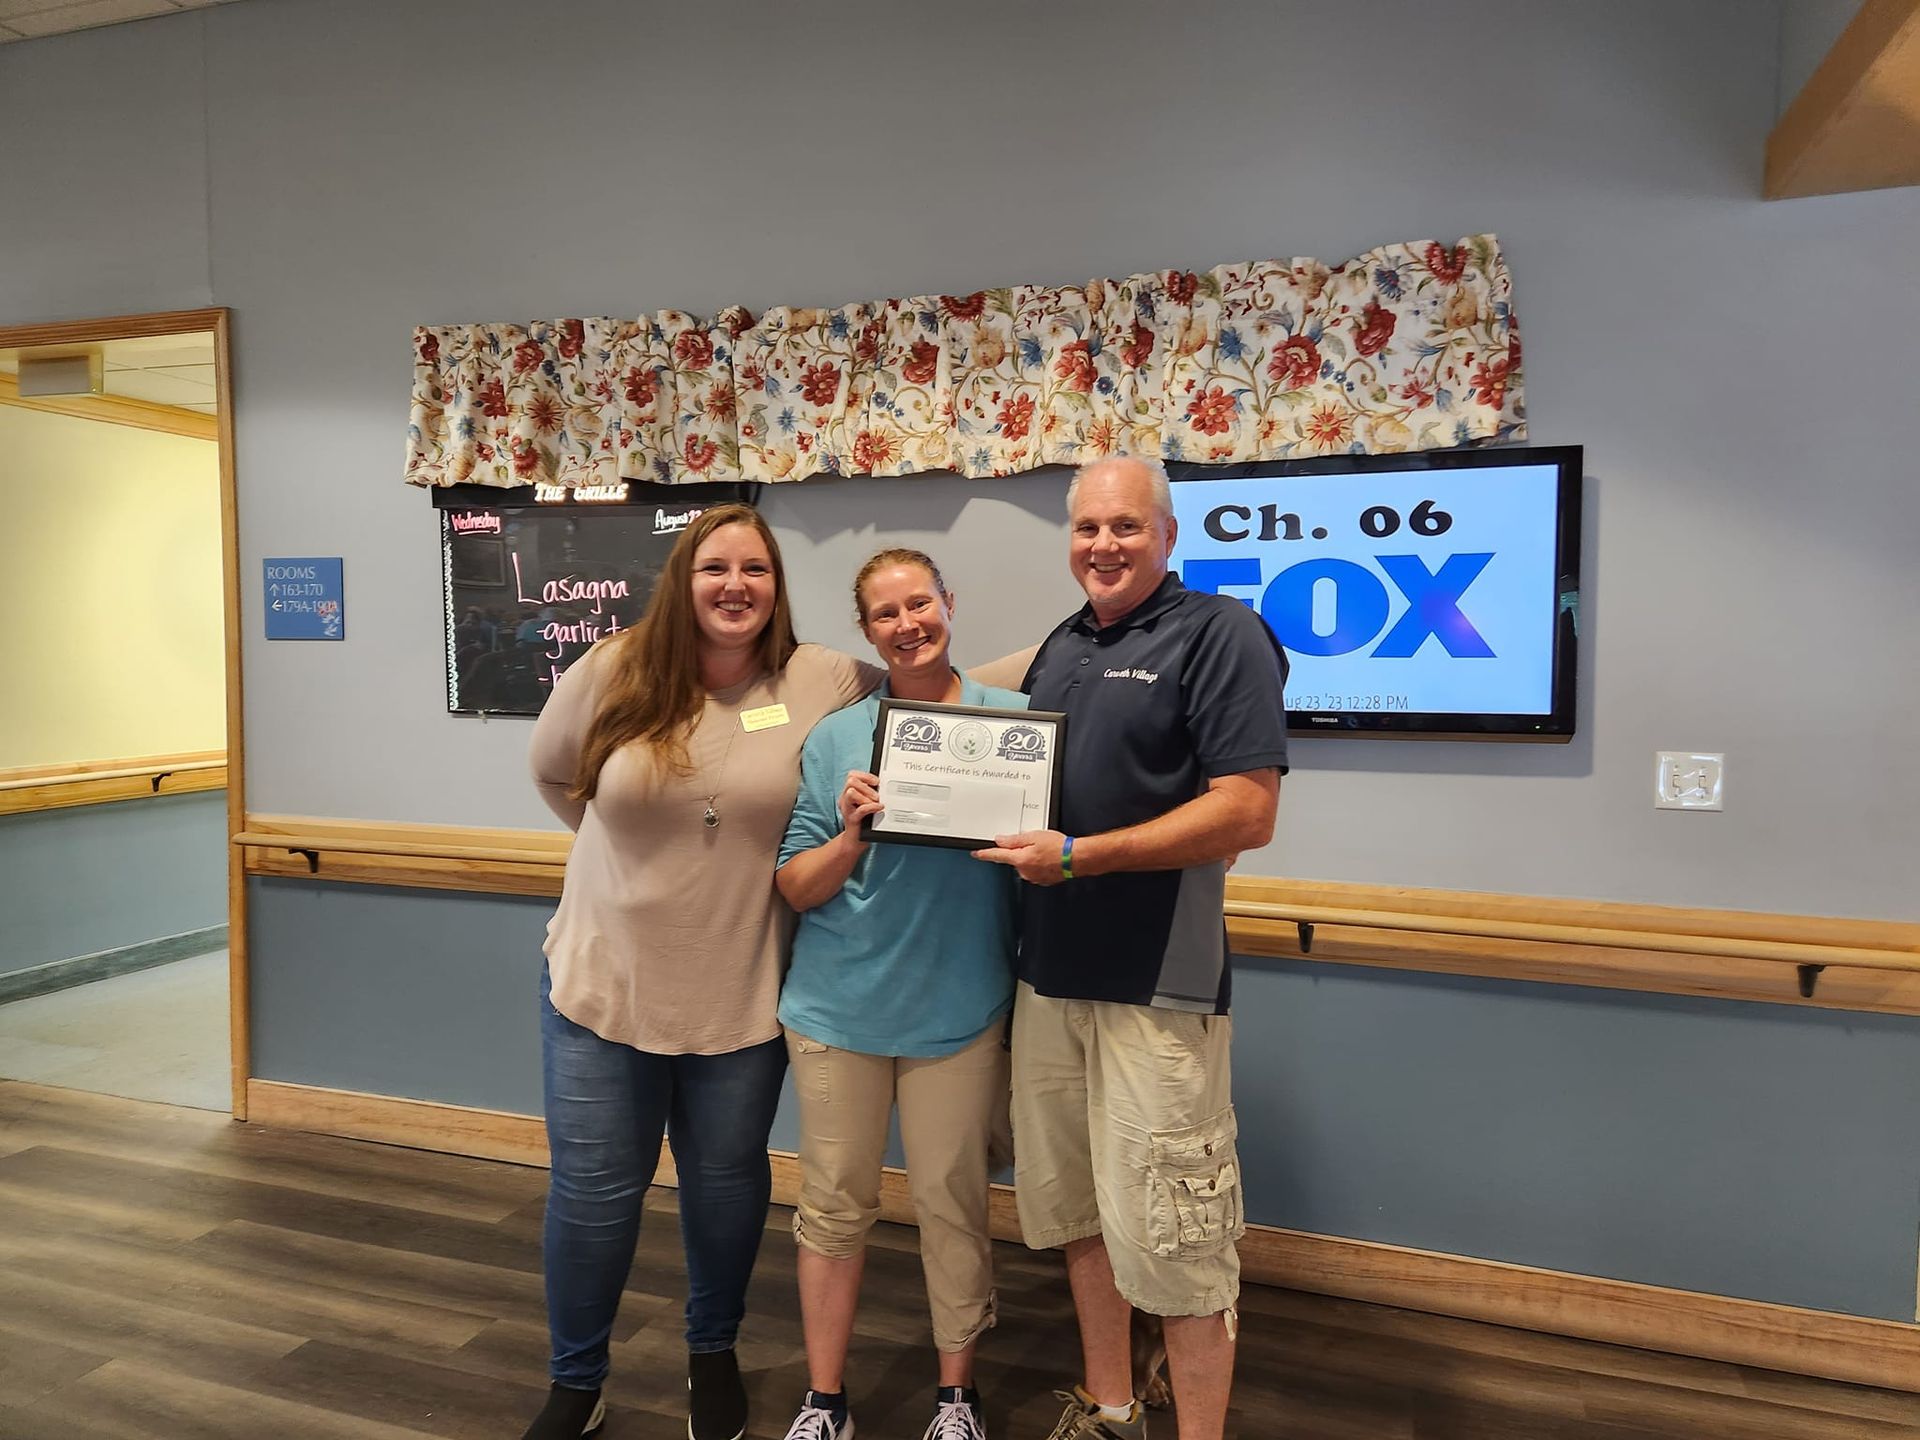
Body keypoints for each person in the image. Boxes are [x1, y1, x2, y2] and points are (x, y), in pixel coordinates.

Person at [523, 503, 878, 1440]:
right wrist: (632, 851)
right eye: (714, 567)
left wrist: (1053, 662)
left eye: (755, 569)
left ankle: (711, 1350)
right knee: (595, 1198)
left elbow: (933, 685)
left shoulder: (822, 677)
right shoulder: (615, 667)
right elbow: (554, 773)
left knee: (724, 1191)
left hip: (740, 993)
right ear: (683, 579)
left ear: (777, 586)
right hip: (603, 984)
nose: (735, 586)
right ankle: (576, 1381)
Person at [974, 457, 1288, 1440]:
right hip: (1048, 980)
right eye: (1087, 528)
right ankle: (1110, 1408)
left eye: (1126, 526)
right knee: (1077, 1214)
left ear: (1168, 535)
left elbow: (1247, 812)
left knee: (1181, 1239)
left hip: (1158, 987)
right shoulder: (1060, 648)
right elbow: (961, 716)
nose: (1104, 545)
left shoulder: (1221, 633)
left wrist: (1080, 857)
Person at [771, 549, 1023, 1440]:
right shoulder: (839, 738)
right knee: (833, 1207)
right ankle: (824, 1401)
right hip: (838, 1011)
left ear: (948, 603)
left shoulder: (1016, 727)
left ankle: (957, 1399)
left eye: (920, 604)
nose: (908, 624)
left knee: (953, 1205)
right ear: (867, 630)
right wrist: (849, 834)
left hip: (958, 1013)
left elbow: (1044, 867)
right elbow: (795, 885)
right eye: (886, 614)